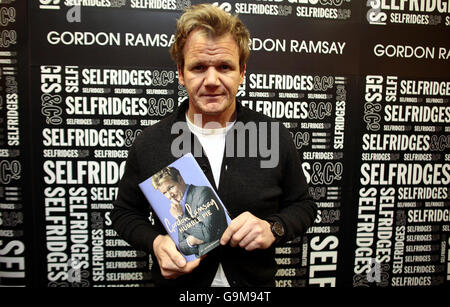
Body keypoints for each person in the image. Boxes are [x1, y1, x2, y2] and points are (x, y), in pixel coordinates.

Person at [111, 3, 317, 287]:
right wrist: (156, 242)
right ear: (181, 74)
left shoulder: (272, 135)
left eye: (224, 67)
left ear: (242, 72)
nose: (211, 80)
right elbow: (124, 213)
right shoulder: (151, 142)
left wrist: (274, 228)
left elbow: (304, 206)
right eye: (198, 67)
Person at [151, 166, 228, 257]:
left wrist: (180, 216)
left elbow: (207, 234)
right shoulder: (178, 206)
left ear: (180, 179)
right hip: (203, 264)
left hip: (225, 254)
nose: (169, 195)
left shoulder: (202, 193)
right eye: (164, 193)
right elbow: (183, 247)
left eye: (170, 188)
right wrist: (191, 241)